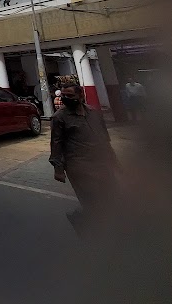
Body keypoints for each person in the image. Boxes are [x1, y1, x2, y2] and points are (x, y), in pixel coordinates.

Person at [50, 84, 120, 235]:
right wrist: (58, 169)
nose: (66, 98)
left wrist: (114, 160)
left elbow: (104, 138)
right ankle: (94, 228)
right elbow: (56, 143)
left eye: (70, 95)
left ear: (81, 96)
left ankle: (87, 220)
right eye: (64, 95)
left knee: (111, 192)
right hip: (78, 165)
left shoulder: (93, 113)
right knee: (90, 198)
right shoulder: (59, 117)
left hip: (100, 160)